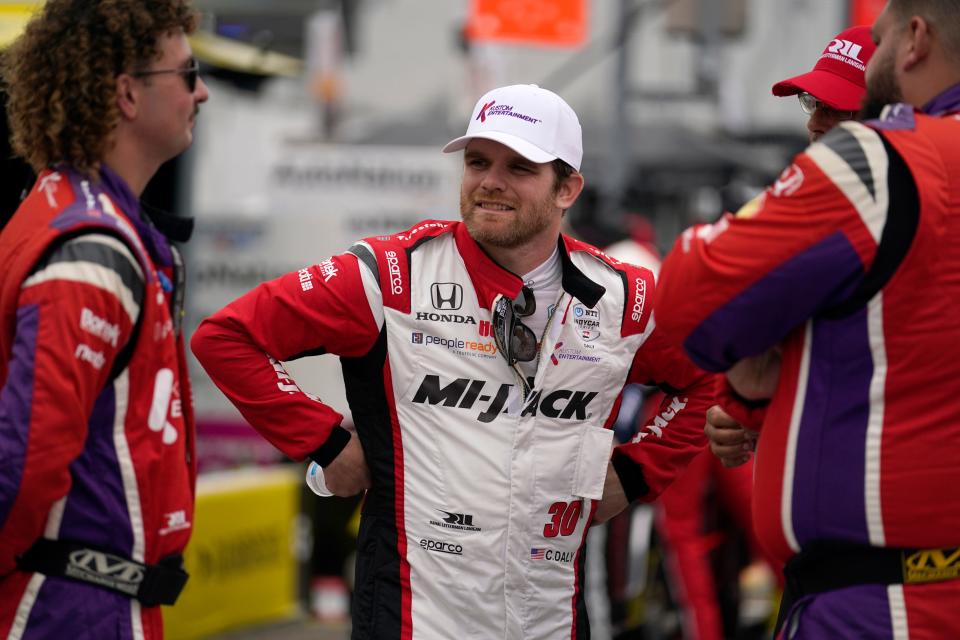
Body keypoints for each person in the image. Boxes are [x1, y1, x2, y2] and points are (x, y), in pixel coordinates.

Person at [191, 83, 715, 638]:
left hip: (550, 616)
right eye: (477, 161)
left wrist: (635, 474)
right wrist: (324, 443)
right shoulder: (390, 275)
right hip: (415, 615)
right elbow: (226, 337)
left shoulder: (624, 297)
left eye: (519, 167)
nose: (490, 181)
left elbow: (708, 378)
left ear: (567, 188)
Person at [654, 0, 960, 637]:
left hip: (891, 599)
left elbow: (687, 298)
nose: (821, 125)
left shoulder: (888, 166)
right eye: (812, 105)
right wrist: (764, 401)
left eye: (844, 109)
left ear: (914, 45)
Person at [0, 2, 209, 638]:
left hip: (86, 596)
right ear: (126, 93)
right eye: (187, 72)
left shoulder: (71, 209)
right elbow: (24, 461)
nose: (200, 92)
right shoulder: (91, 248)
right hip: (67, 606)